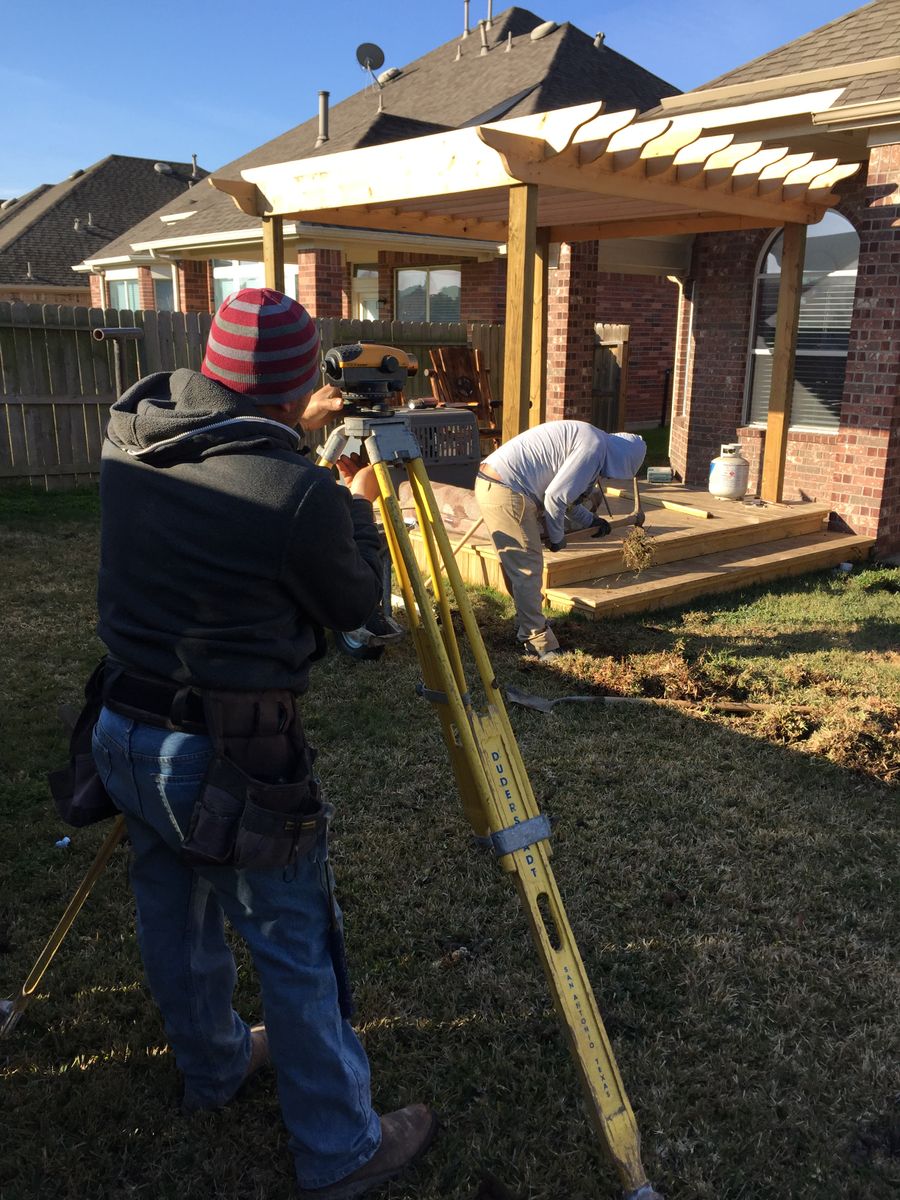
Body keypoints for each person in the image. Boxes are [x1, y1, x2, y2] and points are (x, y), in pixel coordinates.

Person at [90, 288, 436, 1198]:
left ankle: (211, 1068)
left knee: (175, 913)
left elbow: (234, 464)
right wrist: (353, 502)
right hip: (231, 757)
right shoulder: (299, 496)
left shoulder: (135, 429)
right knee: (293, 943)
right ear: (294, 391)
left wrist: (287, 425)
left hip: (123, 728)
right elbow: (360, 608)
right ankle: (341, 1151)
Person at [475, 420, 647, 659]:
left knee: (515, 564)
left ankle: (526, 622)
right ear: (621, 459)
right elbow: (555, 498)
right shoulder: (593, 448)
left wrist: (591, 521)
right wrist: (557, 539)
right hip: (508, 489)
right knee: (527, 568)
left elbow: (569, 499)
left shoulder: (592, 439)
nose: (608, 475)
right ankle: (539, 642)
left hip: (495, 483)